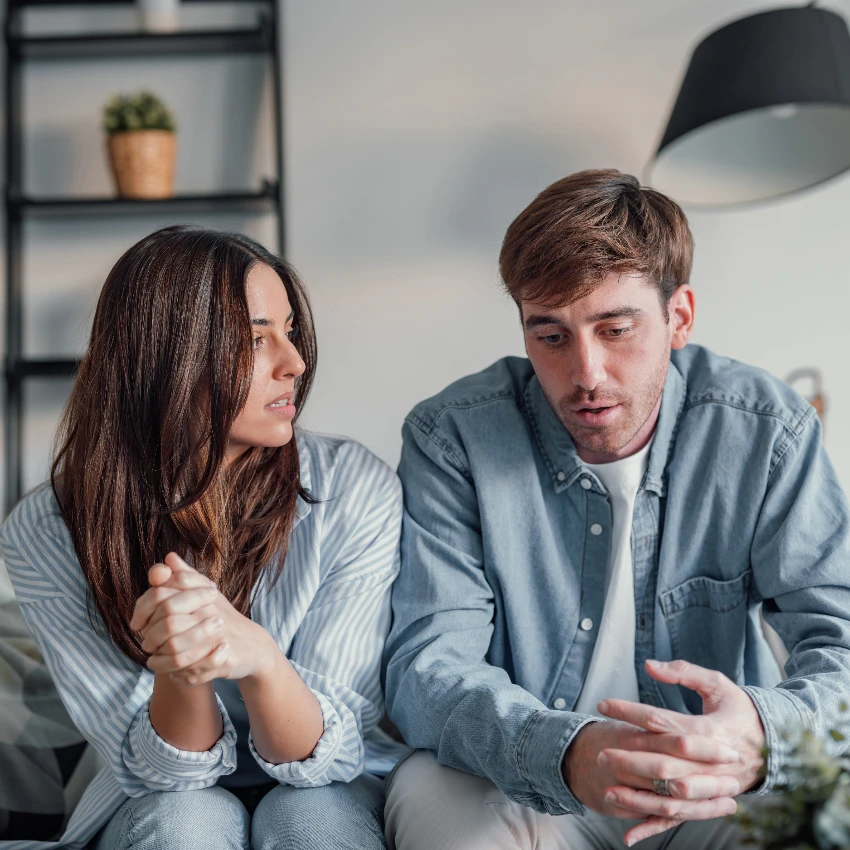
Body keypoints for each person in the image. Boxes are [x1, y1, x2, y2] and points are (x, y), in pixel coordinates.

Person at [382, 170, 850, 849]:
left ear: (679, 317)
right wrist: (567, 753)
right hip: (526, 779)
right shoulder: (453, 438)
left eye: (615, 328)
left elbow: (841, 645)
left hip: (718, 786)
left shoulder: (764, 430)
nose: (586, 374)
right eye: (551, 336)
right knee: (429, 794)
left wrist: (757, 731)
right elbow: (426, 668)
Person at [0, 226, 401, 850]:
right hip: (162, 797)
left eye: (289, 331)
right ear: (168, 356)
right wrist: (182, 662)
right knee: (190, 825)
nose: (294, 362)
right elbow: (163, 772)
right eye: (255, 338)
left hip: (323, 783)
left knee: (312, 819)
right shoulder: (44, 530)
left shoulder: (353, 488)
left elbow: (330, 754)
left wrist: (260, 658)